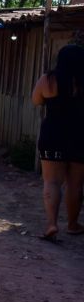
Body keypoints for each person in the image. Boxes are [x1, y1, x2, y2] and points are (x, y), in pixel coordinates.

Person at [31, 44, 84, 240]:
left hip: (53, 134)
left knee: (51, 182)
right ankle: (72, 224)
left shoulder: (48, 79)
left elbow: (36, 100)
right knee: (75, 185)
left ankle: (52, 224)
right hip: (80, 135)